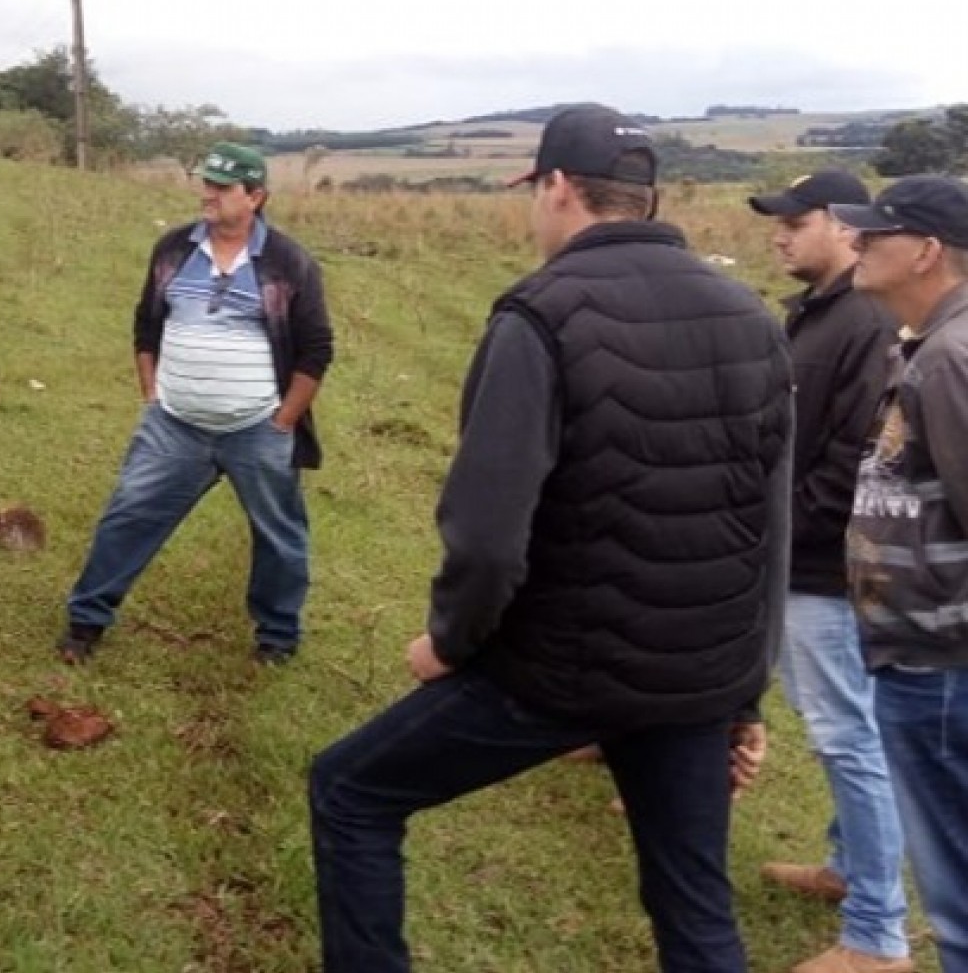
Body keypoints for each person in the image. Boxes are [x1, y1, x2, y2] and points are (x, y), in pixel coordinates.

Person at [309, 104, 792, 973]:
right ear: (646, 199)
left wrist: (452, 644)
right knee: (694, 905)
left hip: (563, 671)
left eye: (536, 191)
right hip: (696, 675)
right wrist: (743, 693)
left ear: (559, 188)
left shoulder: (540, 314)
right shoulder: (751, 315)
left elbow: (488, 537)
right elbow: (769, 524)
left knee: (350, 791)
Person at [58, 141, 333, 666]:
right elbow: (146, 324)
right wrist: (152, 393)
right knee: (129, 515)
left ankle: (276, 637)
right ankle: (85, 621)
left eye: (222, 187)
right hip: (174, 426)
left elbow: (316, 349)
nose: (207, 194)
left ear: (255, 196)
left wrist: (284, 421)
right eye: (206, 183)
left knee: (279, 534)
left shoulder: (289, 263)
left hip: (257, 428)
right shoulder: (174, 249)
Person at [747, 170, 908, 973]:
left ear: (846, 228)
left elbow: (853, 465)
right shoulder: (817, 315)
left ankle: (879, 937)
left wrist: (780, 533)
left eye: (796, 221)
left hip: (823, 569)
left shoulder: (868, 324)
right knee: (852, 728)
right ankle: (849, 868)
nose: (779, 233)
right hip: (803, 556)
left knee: (849, 737)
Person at [832, 176, 968, 973]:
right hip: (925, 655)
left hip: (945, 663)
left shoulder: (949, 360)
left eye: (873, 235)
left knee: (956, 891)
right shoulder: (924, 344)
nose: (855, 244)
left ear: (925, 251)